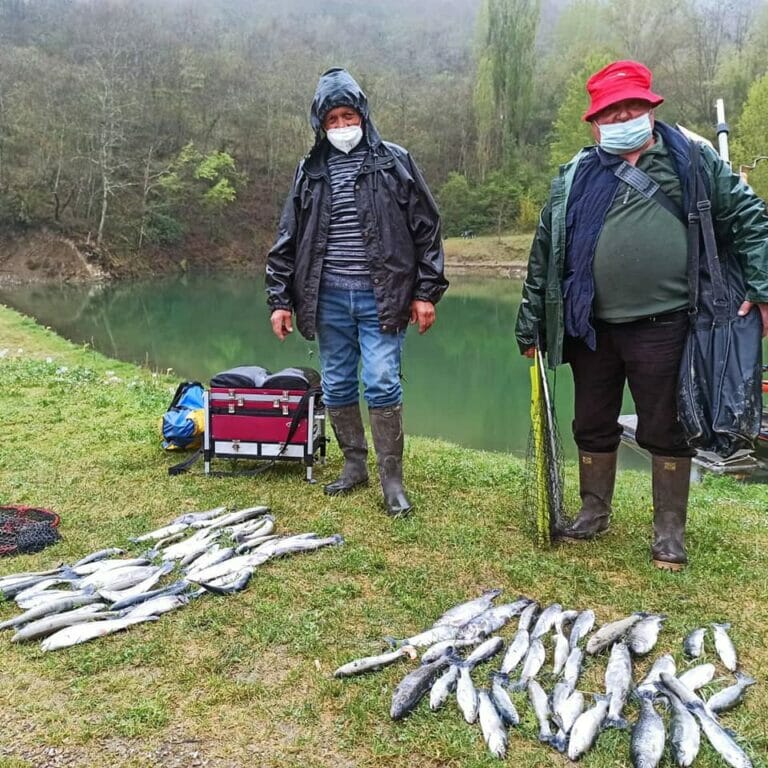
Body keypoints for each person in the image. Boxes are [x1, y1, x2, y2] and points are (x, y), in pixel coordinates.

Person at [515, 60, 768, 570]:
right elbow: (545, 252)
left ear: (650, 110)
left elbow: (749, 216)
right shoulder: (574, 176)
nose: (624, 117)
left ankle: (669, 532)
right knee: (591, 420)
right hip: (590, 324)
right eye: (613, 111)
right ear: (595, 122)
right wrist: (531, 322)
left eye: (633, 107)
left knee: (666, 426)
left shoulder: (691, 162)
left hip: (668, 322)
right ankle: (593, 511)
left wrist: (764, 286)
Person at [265, 67, 448, 517]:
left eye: (349, 116)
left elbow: (427, 229)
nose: (343, 127)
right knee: (339, 381)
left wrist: (425, 292)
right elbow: (288, 237)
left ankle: (393, 481)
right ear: (320, 125)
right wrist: (280, 299)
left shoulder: (394, 161)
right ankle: (353, 466)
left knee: (382, 380)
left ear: (363, 115)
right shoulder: (309, 172)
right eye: (333, 120)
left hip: (382, 296)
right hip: (326, 297)